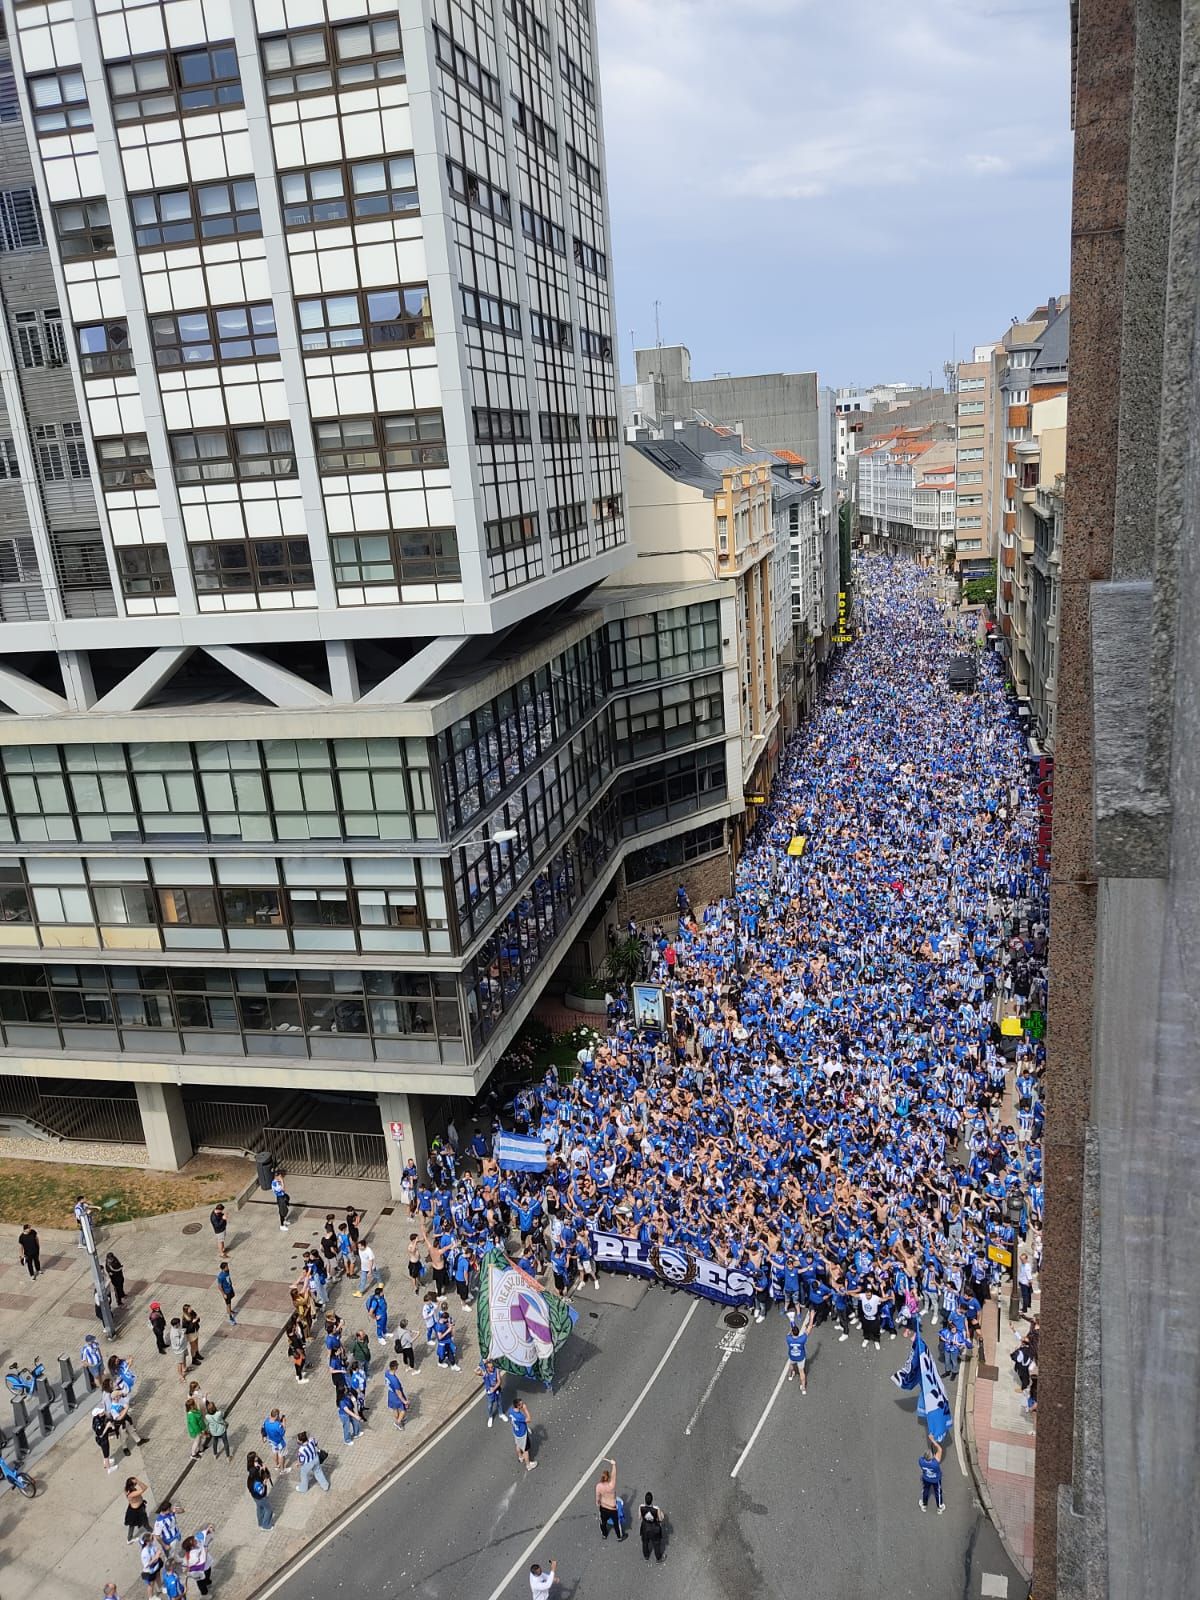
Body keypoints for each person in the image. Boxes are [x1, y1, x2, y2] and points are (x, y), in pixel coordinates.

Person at [786, 1311, 815, 1393]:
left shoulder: (788, 1338)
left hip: (792, 1356)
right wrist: (812, 1317)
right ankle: (803, 1388)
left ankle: (790, 1375)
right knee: (802, 1372)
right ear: (799, 1333)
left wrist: (792, 1321)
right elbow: (809, 1328)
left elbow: (790, 1331)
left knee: (791, 1365)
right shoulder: (802, 1339)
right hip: (801, 1357)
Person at [595, 1457, 624, 1540]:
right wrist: (613, 1464)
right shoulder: (611, 1485)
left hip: (603, 1507)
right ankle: (619, 1536)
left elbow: (597, 1498)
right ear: (608, 1477)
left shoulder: (598, 1486)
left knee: (602, 1522)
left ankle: (604, 1534)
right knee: (616, 1523)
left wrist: (598, 1503)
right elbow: (614, 1474)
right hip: (612, 1508)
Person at [181, 1528, 215, 1595]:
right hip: (199, 1571)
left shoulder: (197, 1540)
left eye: (194, 1539)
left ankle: (207, 1581)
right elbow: (193, 1564)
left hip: (206, 1564)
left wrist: (208, 1529)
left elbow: (202, 1534)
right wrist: (205, 1549)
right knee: (201, 1582)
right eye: (194, 1541)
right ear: (191, 1547)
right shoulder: (192, 1555)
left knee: (208, 1572)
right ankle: (204, 1593)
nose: (196, 1540)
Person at [246, 1451, 273, 1530]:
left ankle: (260, 1522)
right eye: (256, 1456)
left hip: (255, 1496)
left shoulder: (251, 1472)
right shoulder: (256, 1482)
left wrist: (260, 1468)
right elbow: (261, 1492)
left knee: (259, 1508)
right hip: (260, 1496)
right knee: (269, 1509)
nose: (258, 1457)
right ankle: (265, 1525)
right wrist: (264, 1482)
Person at [918, 1439, 945, 1513]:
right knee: (938, 1492)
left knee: (925, 1490)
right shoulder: (935, 1463)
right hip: (936, 1479)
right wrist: (934, 1441)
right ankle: (939, 1507)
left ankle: (924, 1505)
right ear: (932, 1457)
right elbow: (940, 1449)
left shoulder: (921, 1461)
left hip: (926, 1478)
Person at [509, 1397, 536, 1471]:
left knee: (518, 1444)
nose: (523, 1404)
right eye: (521, 1404)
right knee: (525, 1450)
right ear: (518, 1406)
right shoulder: (519, 1416)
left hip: (516, 1432)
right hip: (522, 1434)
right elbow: (529, 1419)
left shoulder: (511, 1411)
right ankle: (528, 1465)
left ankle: (520, 1457)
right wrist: (525, 1409)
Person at [638, 1494, 665, 1563]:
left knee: (645, 1542)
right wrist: (662, 1513)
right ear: (652, 1500)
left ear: (645, 1500)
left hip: (645, 1527)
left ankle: (646, 1556)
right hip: (654, 1528)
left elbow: (639, 1517)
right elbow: (660, 1519)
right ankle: (658, 1558)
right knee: (656, 1543)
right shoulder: (656, 1509)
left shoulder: (641, 1507)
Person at [478, 1357, 505, 1427]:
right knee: (490, 1406)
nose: (492, 1368)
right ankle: (490, 1417)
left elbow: (499, 1381)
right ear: (487, 1368)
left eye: (492, 1366)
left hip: (497, 1390)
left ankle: (501, 1414)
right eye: (490, 1367)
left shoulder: (496, 1370)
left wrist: (494, 1388)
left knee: (499, 1402)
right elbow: (476, 1371)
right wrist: (480, 1365)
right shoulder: (485, 1373)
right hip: (490, 1393)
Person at [92, 1403, 118, 1473]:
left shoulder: (96, 1418)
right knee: (106, 1453)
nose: (103, 1413)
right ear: (98, 1414)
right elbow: (101, 1434)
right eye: (101, 1412)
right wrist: (107, 1426)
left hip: (102, 1438)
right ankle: (109, 1468)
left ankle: (106, 1461)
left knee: (106, 1451)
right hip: (102, 1440)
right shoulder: (98, 1424)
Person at [124, 1476, 151, 1542]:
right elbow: (145, 1488)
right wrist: (138, 1481)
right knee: (137, 1523)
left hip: (138, 1507)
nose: (136, 1484)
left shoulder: (127, 1488)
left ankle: (129, 1538)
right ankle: (129, 1539)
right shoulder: (131, 1493)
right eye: (135, 1483)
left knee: (140, 1522)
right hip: (135, 1511)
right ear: (131, 1485)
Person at [137, 1532, 164, 1596]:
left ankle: (160, 1588)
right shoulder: (144, 1552)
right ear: (147, 1542)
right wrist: (155, 1557)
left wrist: (158, 1552)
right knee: (151, 1584)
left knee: (158, 1575)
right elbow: (146, 1565)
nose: (153, 1540)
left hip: (156, 1566)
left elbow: (156, 1550)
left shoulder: (152, 1545)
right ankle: (151, 1597)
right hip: (150, 1570)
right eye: (152, 1539)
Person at [385, 1360, 409, 1430]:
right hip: (396, 1396)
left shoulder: (387, 1373)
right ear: (395, 1367)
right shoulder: (394, 1380)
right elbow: (398, 1392)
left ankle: (399, 1420)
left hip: (390, 1394)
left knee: (395, 1408)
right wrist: (404, 1401)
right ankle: (398, 1422)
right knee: (403, 1410)